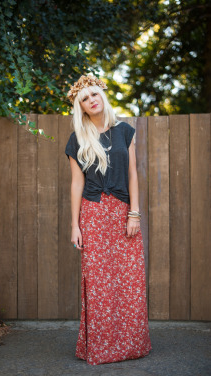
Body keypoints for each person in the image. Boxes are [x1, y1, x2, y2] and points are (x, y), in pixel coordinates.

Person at [65, 74, 152, 366]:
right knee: (100, 283)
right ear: (82, 107)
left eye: (94, 94)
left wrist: (134, 214)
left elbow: (132, 175)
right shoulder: (77, 138)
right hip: (93, 214)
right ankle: (101, 349)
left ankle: (131, 345)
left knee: (130, 280)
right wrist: (75, 225)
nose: (92, 100)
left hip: (123, 213)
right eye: (85, 99)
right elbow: (77, 183)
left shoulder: (124, 131)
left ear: (102, 96)